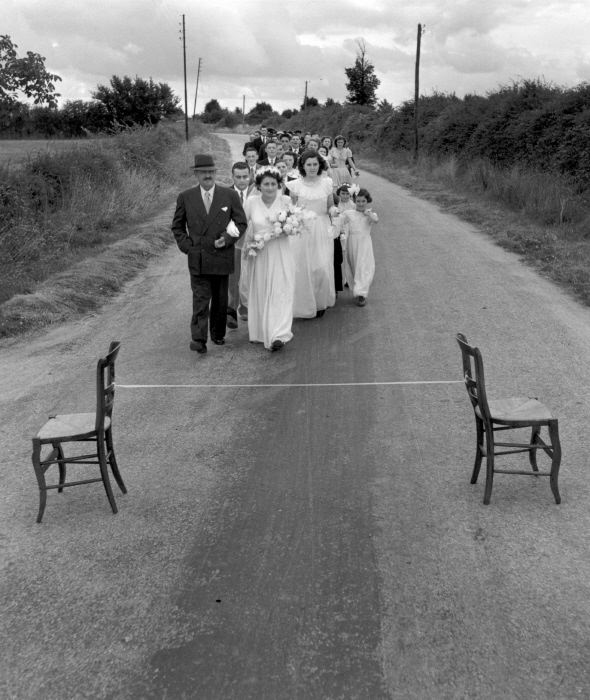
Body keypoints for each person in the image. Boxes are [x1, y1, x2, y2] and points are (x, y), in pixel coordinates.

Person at [171, 154, 247, 353]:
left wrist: (228, 238)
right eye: (203, 172)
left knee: (221, 300)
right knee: (201, 300)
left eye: (211, 172)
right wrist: (189, 247)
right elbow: (177, 227)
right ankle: (198, 339)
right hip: (199, 257)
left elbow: (241, 222)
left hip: (222, 256)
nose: (208, 175)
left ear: (215, 173)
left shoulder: (229, 196)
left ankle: (217, 334)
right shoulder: (185, 197)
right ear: (196, 174)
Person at [242, 166, 295, 351]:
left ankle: (278, 333)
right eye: (266, 184)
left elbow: (295, 225)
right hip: (260, 253)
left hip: (280, 252)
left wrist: (287, 229)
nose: (270, 187)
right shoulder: (251, 202)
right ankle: (260, 330)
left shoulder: (286, 200)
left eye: (273, 184)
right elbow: (241, 225)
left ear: (279, 184)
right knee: (262, 289)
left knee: (280, 290)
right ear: (258, 185)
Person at [288, 150, 337, 318]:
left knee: (321, 266)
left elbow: (330, 205)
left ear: (320, 165)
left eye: (315, 164)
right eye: (308, 164)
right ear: (302, 166)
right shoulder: (295, 185)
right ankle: (304, 304)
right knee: (303, 268)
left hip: (321, 229)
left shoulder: (327, 183)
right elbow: (291, 209)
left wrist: (334, 210)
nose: (312, 167)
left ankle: (320, 302)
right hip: (302, 230)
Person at [227, 161, 256, 328]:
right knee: (234, 277)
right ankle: (231, 311)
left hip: (253, 241)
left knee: (250, 275)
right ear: (233, 177)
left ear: (250, 176)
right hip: (234, 242)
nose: (242, 180)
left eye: (245, 176)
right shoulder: (225, 193)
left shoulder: (257, 192)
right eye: (238, 177)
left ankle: (246, 307)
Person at [340, 187, 378, 307]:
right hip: (352, 243)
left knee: (364, 267)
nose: (361, 204)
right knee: (354, 266)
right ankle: (357, 289)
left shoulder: (370, 214)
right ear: (354, 201)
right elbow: (339, 221)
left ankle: (362, 294)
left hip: (365, 244)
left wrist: (369, 214)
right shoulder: (349, 213)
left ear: (367, 202)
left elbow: (376, 220)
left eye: (363, 201)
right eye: (358, 201)